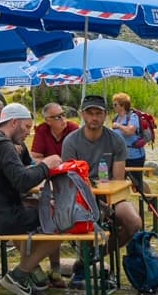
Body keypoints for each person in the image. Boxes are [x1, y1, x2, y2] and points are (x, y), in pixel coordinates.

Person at [0, 103, 63, 295]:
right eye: (26, 127)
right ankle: (19, 275)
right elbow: (23, 181)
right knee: (61, 219)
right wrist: (46, 166)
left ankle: (33, 272)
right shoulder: (3, 144)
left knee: (39, 210)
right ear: (14, 122)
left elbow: (12, 181)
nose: (27, 133)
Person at [60, 97, 143, 246]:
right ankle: (81, 257)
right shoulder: (71, 141)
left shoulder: (116, 141)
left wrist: (106, 203)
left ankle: (102, 254)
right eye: (90, 113)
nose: (94, 117)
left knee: (134, 223)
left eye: (98, 113)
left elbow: (117, 182)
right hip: (81, 199)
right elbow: (70, 180)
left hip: (111, 198)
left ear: (105, 115)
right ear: (82, 115)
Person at [111, 92, 147, 192]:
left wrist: (118, 126)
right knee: (119, 181)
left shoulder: (132, 117)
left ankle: (150, 200)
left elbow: (130, 131)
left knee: (137, 183)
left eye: (115, 104)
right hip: (121, 156)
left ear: (122, 105)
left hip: (134, 155)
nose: (113, 107)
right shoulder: (116, 118)